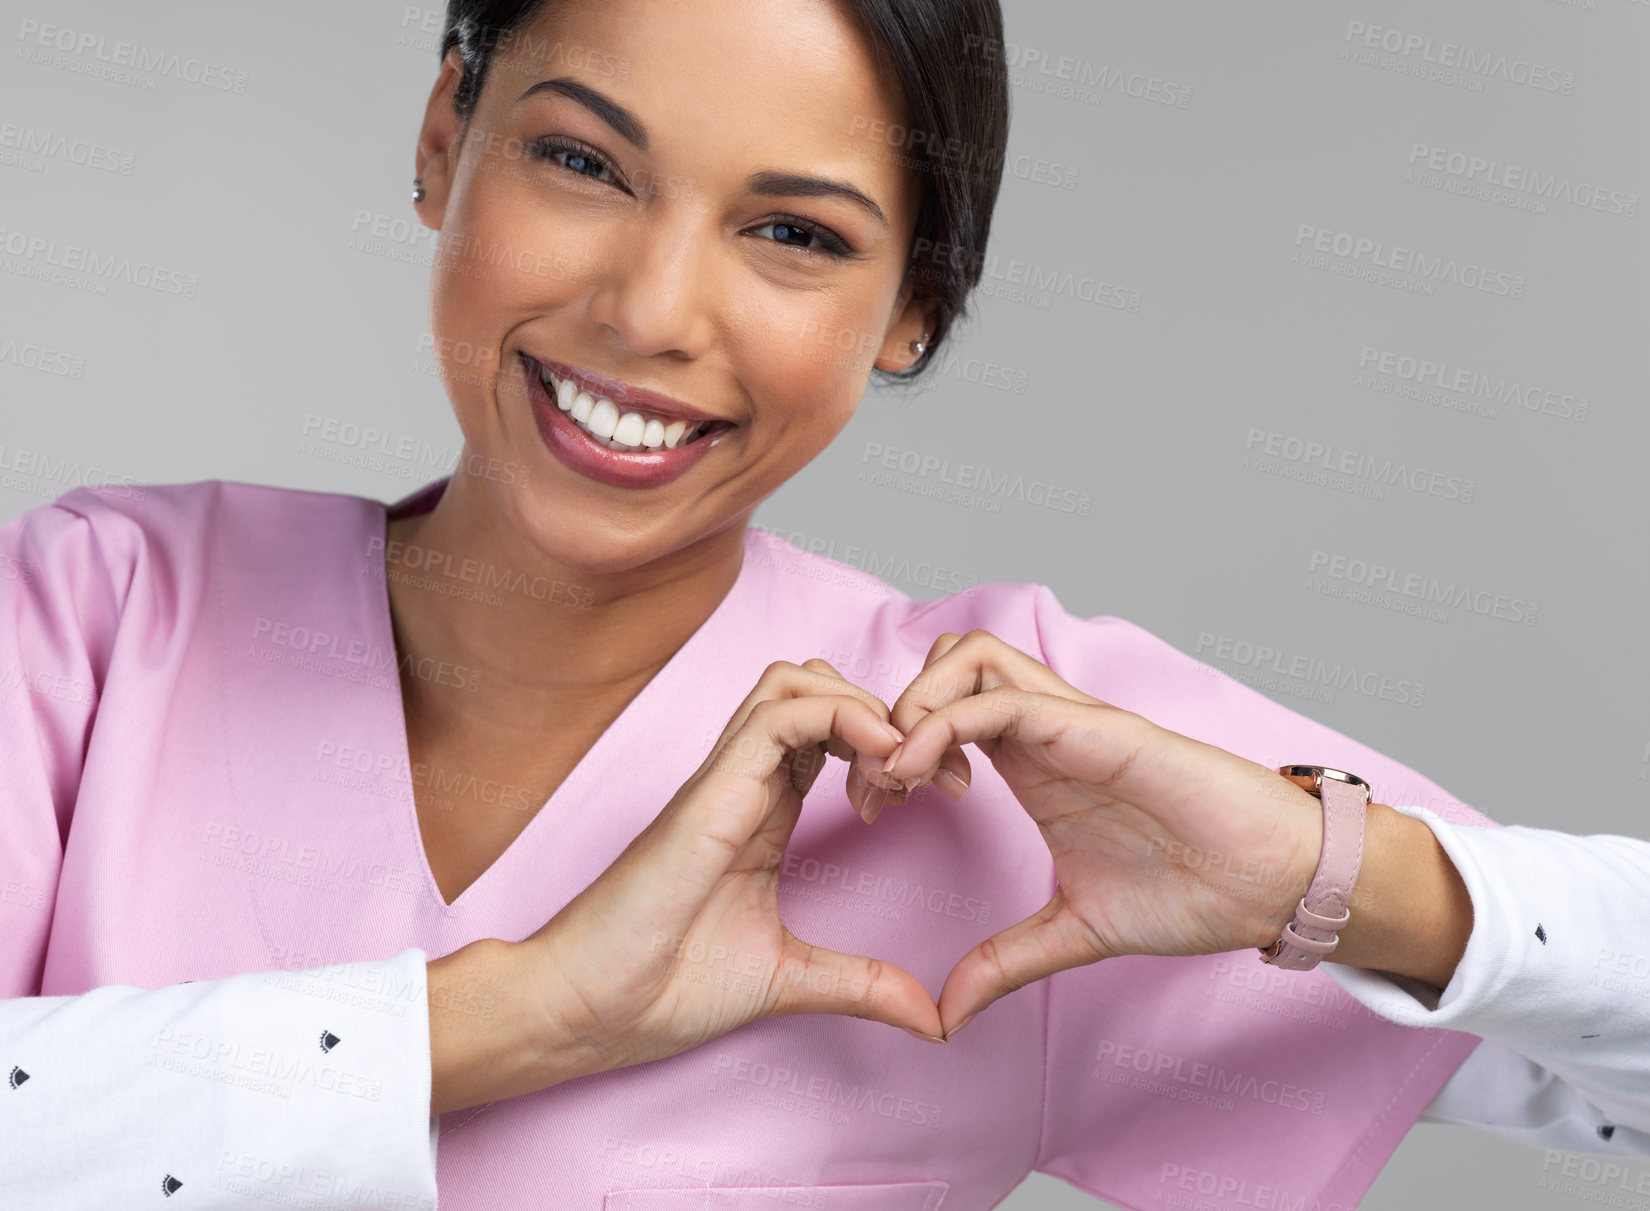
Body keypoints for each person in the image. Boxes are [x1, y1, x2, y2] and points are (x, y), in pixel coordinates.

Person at [2, 0, 1646, 1207]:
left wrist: (1332, 873)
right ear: (445, 138)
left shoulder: (1002, 775)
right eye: (582, 159)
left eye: (792, 232)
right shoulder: (103, 618)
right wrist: (521, 1018)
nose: (649, 311)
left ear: (911, 310)